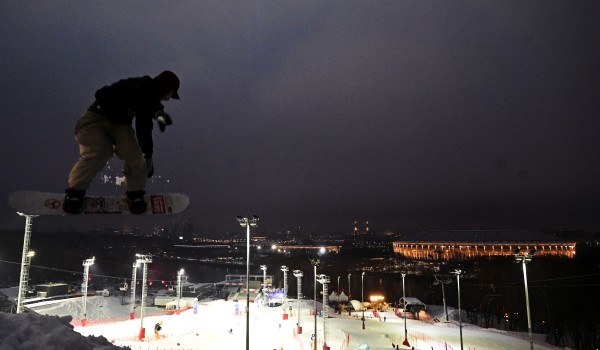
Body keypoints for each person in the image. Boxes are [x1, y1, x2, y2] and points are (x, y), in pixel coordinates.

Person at [63, 71, 180, 214]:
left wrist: (147, 156)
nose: (168, 99)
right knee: (100, 151)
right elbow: (139, 93)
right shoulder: (140, 84)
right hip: (95, 119)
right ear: (166, 88)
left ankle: (135, 194)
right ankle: (74, 193)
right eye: (170, 94)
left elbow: (144, 130)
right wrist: (158, 112)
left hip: (120, 126)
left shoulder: (148, 105)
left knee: (135, 157)